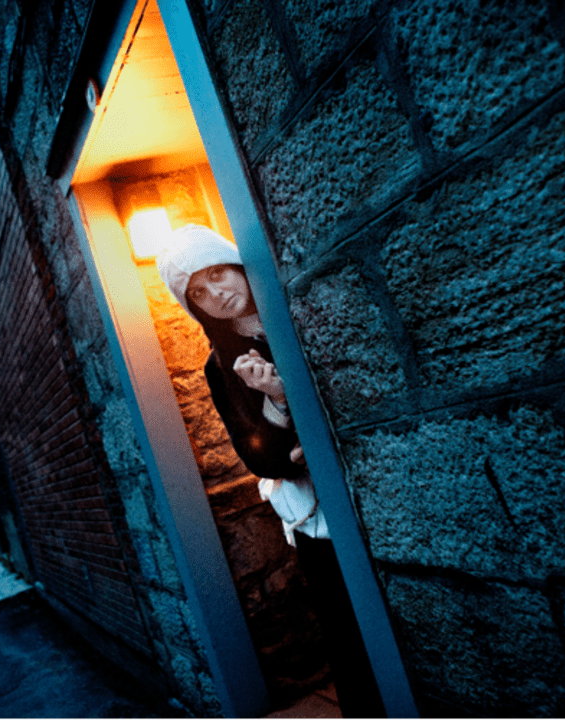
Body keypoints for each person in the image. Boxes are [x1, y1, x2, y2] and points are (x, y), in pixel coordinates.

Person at [157, 225, 385, 718]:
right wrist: (276, 402)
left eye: (217, 273)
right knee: (348, 631)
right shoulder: (222, 366)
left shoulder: (297, 305)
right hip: (316, 515)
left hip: (372, 480)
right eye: (197, 291)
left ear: (235, 263)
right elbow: (262, 458)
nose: (215, 293)